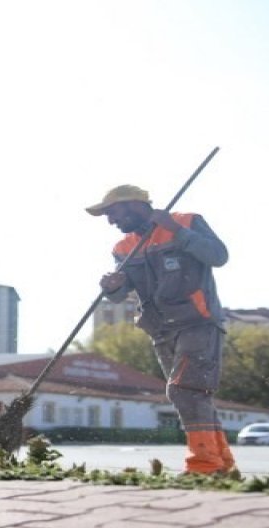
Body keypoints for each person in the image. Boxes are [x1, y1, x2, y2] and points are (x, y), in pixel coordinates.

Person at [87, 184, 235, 475]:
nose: (110, 221)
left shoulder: (186, 222)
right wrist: (111, 289)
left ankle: (204, 465)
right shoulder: (123, 248)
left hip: (198, 322)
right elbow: (123, 292)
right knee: (194, 394)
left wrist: (176, 232)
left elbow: (218, 256)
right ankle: (223, 465)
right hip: (160, 330)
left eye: (113, 213)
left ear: (134, 205)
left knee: (184, 389)